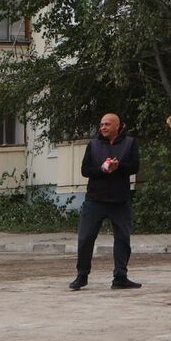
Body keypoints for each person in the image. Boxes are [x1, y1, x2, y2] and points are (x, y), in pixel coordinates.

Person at [69, 112, 141, 291]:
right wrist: (102, 169)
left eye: (107, 124)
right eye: (101, 124)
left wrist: (119, 167)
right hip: (95, 200)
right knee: (85, 238)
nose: (103, 127)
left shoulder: (129, 143)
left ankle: (120, 277)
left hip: (120, 200)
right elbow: (85, 170)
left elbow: (134, 167)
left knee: (123, 239)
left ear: (118, 126)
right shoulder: (93, 145)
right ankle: (82, 276)